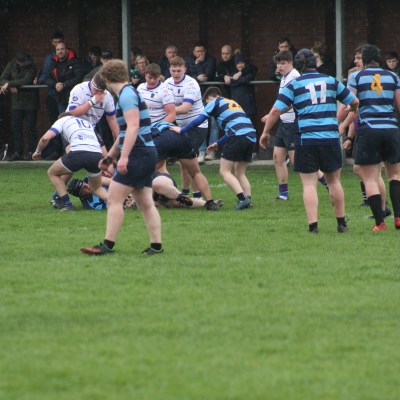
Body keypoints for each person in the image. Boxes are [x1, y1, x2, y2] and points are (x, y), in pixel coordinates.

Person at [260, 48, 359, 233]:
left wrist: (265, 133)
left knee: (309, 184)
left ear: (298, 65)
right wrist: (351, 110)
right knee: (334, 182)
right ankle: (341, 224)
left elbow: (275, 111)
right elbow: (354, 101)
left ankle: (313, 226)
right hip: (330, 138)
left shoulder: (294, 85)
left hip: (306, 139)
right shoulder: (331, 81)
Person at [80, 59, 163, 256]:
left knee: (114, 199)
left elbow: (133, 127)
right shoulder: (128, 93)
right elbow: (125, 132)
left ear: (107, 79)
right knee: (146, 203)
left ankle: (107, 246)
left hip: (138, 153)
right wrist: (110, 157)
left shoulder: (126, 95)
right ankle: (156, 247)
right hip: (146, 153)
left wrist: (124, 157)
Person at [171, 86, 256, 210]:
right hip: (251, 136)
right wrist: (218, 143)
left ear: (210, 98)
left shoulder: (215, 102)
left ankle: (242, 199)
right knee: (240, 172)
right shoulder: (232, 103)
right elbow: (235, 126)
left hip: (237, 136)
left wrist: (182, 130)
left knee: (224, 171)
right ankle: (248, 200)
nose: (207, 106)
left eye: (207, 103)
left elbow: (199, 120)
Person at [347, 44, 400, 231]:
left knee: (370, 178)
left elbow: (351, 103)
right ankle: (398, 217)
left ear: (364, 59)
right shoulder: (393, 77)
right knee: (395, 175)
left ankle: (380, 223)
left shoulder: (356, 77)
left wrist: (341, 121)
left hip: (368, 129)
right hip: (391, 129)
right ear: (378, 59)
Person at [31, 112, 108, 211]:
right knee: (96, 188)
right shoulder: (86, 123)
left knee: (52, 172)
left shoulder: (62, 121)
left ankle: (67, 204)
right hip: (97, 155)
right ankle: (116, 201)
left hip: (79, 153)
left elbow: (45, 138)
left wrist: (37, 151)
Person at [165, 56, 211, 200]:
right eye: (173, 70)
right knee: (183, 159)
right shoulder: (167, 83)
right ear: (169, 70)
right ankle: (186, 192)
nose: (176, 73)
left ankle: (196, 195)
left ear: (184, 69)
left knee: (188, 159)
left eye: (179, 70)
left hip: (197, 125)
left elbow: (185, 108)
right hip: (181, 126)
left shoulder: (191, 84)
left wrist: (165, 110)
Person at [262, 50, 300, 200]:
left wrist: (274, 114)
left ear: (291, 63)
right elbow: (282, 101)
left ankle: (327, 183)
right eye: (278, 63)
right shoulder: (284, 78)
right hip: (284, 123)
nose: (279, 66)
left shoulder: (294, 77)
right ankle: (283, 195)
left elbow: (290, 103)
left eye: (283, 63)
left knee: (299, 162)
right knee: (278, 158)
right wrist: (272, 113)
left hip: (293, 124)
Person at [0, 52, 39, 161]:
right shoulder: (11, 65)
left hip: (30, 101)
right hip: (17, 102)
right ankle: (18, 151)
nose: (24, 64)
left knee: (31, 128)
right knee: (16, 127)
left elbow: (27, 80)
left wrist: (10, 84)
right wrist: (9, 85)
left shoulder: (31, 65)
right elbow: (2, 78)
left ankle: (31, 152)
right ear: (17, 61)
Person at [67, 71, 119, 143]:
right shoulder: (79, 89)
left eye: (101, 91)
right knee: (78, 148)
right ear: (91, 84)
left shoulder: (107, 96)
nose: (98, 93)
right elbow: (73, 112)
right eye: (96, 90)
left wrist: (120, 141)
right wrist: (91, 102)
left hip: (90, 128)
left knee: (102, 150)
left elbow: (112, 119)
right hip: (72, 125)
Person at [226, 52, 258, 160]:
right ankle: (238, 152)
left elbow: (246, 78)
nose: (240, 65)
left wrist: (239, 75)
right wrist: (233, 79)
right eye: (238, 63)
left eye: (242, 63)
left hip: (248, 105)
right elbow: (230, 81)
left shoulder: (250, 70)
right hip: (236, 106)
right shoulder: (230, 71)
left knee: (251, 128)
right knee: (237, 129)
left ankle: (253, 151)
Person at [44, 41, 85, 115]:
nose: (60, 51)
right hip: (60, 97)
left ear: (67, 50)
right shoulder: (54, 63)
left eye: (62, 49)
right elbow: (47, 78)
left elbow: (79, 78)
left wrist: (64, 85)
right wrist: (55, 84)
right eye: (58, 50)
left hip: (74, 97)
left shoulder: (75, 61)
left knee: (74, 118)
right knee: (63, 119)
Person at [36, 31, 64, 125]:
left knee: (65, 122)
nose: (57, 44)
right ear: (52, 42)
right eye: (55, 42)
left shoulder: (71, 55)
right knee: (54, 122)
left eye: (59, 42)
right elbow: (45, 74)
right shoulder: (50, 58)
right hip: (53, 93)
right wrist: (53, 83)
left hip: (65, 93)